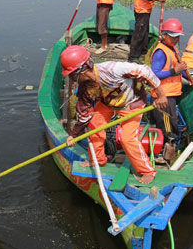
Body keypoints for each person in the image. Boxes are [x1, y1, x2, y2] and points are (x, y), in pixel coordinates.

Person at [61, 45, 168, 184]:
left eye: (73, 74)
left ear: (82, 69)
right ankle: (98, 161)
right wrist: (74, 135)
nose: (72, 78)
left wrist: (161, 95)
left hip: (132, 103)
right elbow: (84, 112)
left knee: (127, 138)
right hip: (107, 103)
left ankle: (147, 171)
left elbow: (145, 71)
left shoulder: (112, 69)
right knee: (93, 127)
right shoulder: (85, 88)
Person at [150, 18, 193, 159]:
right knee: (168, 126)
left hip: (171, 93)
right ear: (164, 35)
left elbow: (181, 69)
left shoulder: (173, 50)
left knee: (168, 121)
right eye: (172, 37)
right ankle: (164, 150)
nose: (175, 39)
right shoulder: (160, 52)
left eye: (177, 37)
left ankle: (163, 145)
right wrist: (174, 71)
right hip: (162, 96)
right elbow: (154, 74)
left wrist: (190, 79)